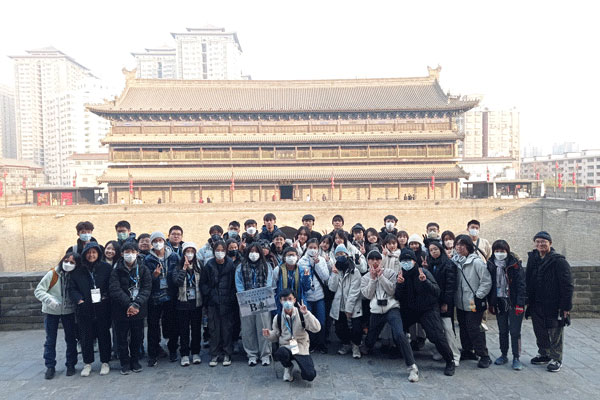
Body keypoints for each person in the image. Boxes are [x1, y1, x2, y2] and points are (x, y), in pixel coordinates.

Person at [395, 248, 456, 376]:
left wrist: (425, 282)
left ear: (414, 261)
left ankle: (450, 360)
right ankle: (403, 352)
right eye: (403, 260)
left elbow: (436, 291)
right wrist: (399, 285)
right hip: (410, 309)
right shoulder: (401, 275)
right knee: (398, 330)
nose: (406, 263)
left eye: (409, 260)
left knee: (436, 335)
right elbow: (398, 296)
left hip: (427, 309)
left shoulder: (424, 272)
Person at [361, 250, 419, 382]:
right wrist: (373, 279)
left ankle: (412, 367)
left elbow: (392, 291)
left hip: (392, 308)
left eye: (377, 259)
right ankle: (366, 346)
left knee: (399, 334)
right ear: (368, 261)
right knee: (371, 337)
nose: (375, 262)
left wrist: (381, 277)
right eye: (372, 259)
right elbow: (368, 295)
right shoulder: (365, 278)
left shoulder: (390, 273)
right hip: (376, 310)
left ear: (381, 260)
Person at [525, 231, 573, 372]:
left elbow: (567, 285)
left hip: (553, 304)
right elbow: (528, 279)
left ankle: (556, 358)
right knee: (540, 331)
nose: (540, 244)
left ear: (550, 243)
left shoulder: (559, 261)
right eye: (538, 241)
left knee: (555, 331)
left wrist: (565, 307)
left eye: (543, 242)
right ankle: (544, 354)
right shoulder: (533, 258)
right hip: (536, 303)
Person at [68, 242, 112, 377]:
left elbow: (111, 284)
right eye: (88, 252)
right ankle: (87, 363)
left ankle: (105, 362)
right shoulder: (78, 270)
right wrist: (79, 299)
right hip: (84, 309)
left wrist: (106, 296)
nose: (91, 255)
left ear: (98, 254)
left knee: (104, 335)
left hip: (102, 308)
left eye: (94, 252)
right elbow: (72, 288)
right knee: (85, 337)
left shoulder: (106, 268)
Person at [35, 252, 80, 379]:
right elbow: (39, 290)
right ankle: (50, 366)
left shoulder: (75, 275)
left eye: (72, 262)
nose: (68, 264)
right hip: (51, 311)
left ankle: (71, 364)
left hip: (68, 311)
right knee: (50, 339)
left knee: (71, 339)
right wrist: (49, 300)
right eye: (66, 261)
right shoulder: (53, 274)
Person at [109, 241, 152, 375]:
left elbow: (146, 288)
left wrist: (136, 304)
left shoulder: (143, 269)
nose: (130, 255)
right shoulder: (116, 270)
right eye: (127, 252)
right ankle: (124, 362)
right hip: (121, 310)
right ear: (122, 254)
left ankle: (135, 360)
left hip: (138, 309)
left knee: (137, 337)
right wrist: (129, 304)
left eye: (133, 252)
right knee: (122, 338)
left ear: (137, 253)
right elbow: (114, 289)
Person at [263, 289, 321, 382]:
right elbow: (276, 335)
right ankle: (288, 366)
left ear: (294, 300)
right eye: (284, 299)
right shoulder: (278, 318)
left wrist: (306, 314)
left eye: (290, 299)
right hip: (286, 346)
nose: (287, 302)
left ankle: (302, 366)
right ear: (280, 301)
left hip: (300, 346)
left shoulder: (301, 314)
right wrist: (269, 334)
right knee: (280, 353)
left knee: (309, 375)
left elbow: (317, 328)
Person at [453, 234, 493, 368]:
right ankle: (468, 350)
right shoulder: (455, 261)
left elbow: (486, 281)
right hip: (460, 301)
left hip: (473, 302)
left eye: (462, 245)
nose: (459, 247)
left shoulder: (476, 262)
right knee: (463, 327)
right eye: (457, 244)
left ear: (469, 246)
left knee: (474, 328)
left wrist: (478, 296)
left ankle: (483, 355)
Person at [487, 240, 526, 370]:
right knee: (502, 330)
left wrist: (520, 303)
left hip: (513, 302)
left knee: (515, 331)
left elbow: (521, 285)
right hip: (499, 302)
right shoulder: (491, 264)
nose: (499, 253)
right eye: (497, 251)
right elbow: (489, 285)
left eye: (502, 251)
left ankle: (516, 357)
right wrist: (491, 303)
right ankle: (503, 354)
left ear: (507, 251)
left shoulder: (514, 264)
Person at [145, 231, 180, 366]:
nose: (158, 243)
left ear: (164, 242)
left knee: (172, 323)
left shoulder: (174, 256)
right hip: (155, 297)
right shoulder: (148, 259)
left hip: (170, 296)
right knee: (153, 326)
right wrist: (154, 275)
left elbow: (178, 273)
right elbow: (145, 280)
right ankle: (153, 354)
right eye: (155, 241)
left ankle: (173, 350)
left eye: (160, 240)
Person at [235, 243, 273, 366]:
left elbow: (269, 282)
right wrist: (245, 296)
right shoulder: (241, 266)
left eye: (256, 251)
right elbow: (239, 283)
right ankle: (252, 354)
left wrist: (261, 294)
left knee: (264, 327)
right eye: (251, 251)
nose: (254, 254)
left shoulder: (267, 266)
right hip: (246, 301)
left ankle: (265, 354)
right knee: (248, 329)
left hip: (263, 300)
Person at [201, 240, 237, 367]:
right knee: (214, 328)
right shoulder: (209, 265)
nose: (220, 253)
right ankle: (214, 353)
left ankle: (227, 353)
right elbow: (203, 284)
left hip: (227, 302)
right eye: (217, 250)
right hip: (213, 303)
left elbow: (234, 284)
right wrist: (211, 294)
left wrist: (230, 298)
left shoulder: (231, 265)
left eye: (222, 250)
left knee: (227, 328)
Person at [425, 240, 460, 366]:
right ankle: (442, 351)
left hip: (445, 302)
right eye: (431, 250)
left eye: (436, 249)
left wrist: (445, 302)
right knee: (438, 329)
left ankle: (454, 354)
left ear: (441, 249)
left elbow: (450, 286)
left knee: (448, 328)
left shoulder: (448, 264)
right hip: (434, 301)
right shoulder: (431, 264)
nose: (433, 252)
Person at [171, 242, 204, 367]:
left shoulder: (199, 265)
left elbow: (204, 282)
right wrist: (184, 269)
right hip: (182, 303)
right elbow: (177, 282)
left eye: (192, 251)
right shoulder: (178, 267)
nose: (189, 254)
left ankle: (196, 352)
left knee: (196, 329)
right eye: (187, 251)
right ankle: (184, 354)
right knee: (183, 330)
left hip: (196, 302)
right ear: (183, 253)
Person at [328, 244, 362, 359]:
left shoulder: (354, 271)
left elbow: (354, 291)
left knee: (356, 329)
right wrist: (334, 274)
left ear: (347, 255)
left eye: (342, 253)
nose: (340, 256)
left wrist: (349, 309)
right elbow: (332, 288)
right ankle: (346, 343)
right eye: (337, 254)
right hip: (339, 305)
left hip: (353, 305)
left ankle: (356, 345)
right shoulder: (336, 269)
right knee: (339, 329)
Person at [298, 238, 329, 354]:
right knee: (308, 322)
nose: (312, 250)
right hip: (307, 297)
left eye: (315, 248)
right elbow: (301, 280)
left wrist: (318, 264)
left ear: (318, 248)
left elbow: (326, 277)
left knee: (321, 321)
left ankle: (321, 344)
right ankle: (310, 344)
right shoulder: (301, 262)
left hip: (319, 296)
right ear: (307, 248)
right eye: (310, 247)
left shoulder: (321, 260)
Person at [272, 247, 311, 311]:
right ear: (284, 258)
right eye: (289, 255)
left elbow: (306, 288)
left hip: (298, 302)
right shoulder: (278, 270)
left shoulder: (301, 270)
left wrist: (306, 278)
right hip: (282, 303)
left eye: (293, 255)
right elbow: (273, 288)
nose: (291, 257)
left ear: (297, 257)